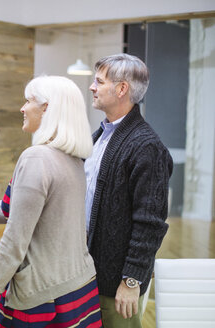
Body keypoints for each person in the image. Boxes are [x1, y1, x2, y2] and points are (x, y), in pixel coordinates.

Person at [0, 76, 103, 328]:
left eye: (28, 101)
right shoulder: (73, 160)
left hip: (43, 299)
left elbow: (15, 238)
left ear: (47, 108)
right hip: (79, 289)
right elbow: (16, 212)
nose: (22, 108)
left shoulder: (36, 158)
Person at [85, 54, 173, 327]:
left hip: (116, 284)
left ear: (121, 89)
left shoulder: (146, 146)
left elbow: (150, 224)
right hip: (88, 275)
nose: (92, 87)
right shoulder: (100, 136)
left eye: (99, 81)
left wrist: (131, 280)